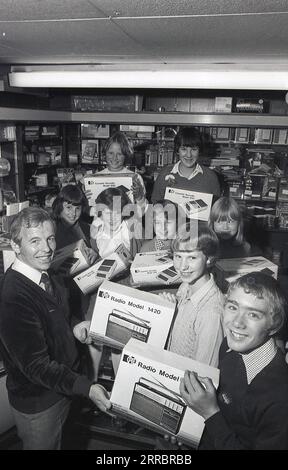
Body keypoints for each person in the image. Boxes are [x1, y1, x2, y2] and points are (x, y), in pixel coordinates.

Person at [0, 207, 110, 450]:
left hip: (62, 390)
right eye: (35, 241)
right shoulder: (13, 296)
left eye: (50, 238)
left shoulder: (45, 275)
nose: (47, 248)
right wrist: (86, 387)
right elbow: (35, 366)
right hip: (40, 404)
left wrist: (75, 326)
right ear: (16, 246)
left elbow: (58, 316)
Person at [180, 272, 288, 450]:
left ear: (274, 324)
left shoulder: (280, 398)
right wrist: (189, 433)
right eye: (232, 307)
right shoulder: (229, 348)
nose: (237, 323)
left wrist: (210, 413)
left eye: (253, 315)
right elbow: (228, 417)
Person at [160, 221, 224, 367]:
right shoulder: (185, 286)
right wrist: (167, 311)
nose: (182, 266)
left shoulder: (211, 312)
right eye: (178, 256)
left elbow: (204, 375)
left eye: (192, 258)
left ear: (209, 259)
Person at [151, 127, 221, 204]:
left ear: (199, 151)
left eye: (194, 149)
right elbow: (155, 206)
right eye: (184, 149)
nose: (188, 155)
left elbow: (217, 211)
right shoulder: (164, 174)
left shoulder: (210, 177)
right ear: (177, 150)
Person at [87, 130, 147, 210]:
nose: (114, 158)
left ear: (126, 155)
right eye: (111, 153)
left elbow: (142, 212)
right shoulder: (95, 178)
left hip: (128, 221)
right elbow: (91, 211)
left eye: (119, 154)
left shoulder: (136, 178)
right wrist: (85, 200)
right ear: (105, 153)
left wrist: (139, 197)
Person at [90, 186, 143, 259]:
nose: (112, 218)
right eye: (108, 213)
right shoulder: (96, 234)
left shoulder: (132, 230)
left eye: (117, 213)